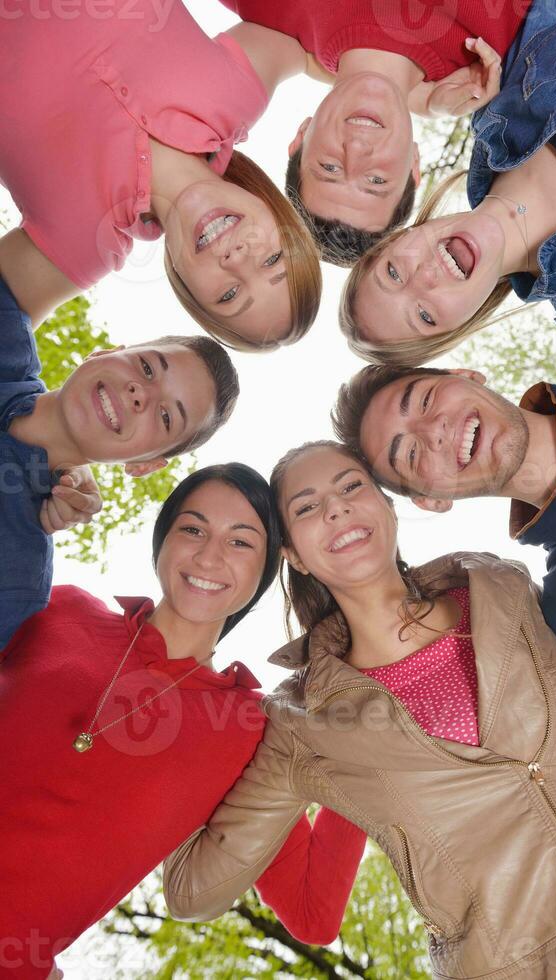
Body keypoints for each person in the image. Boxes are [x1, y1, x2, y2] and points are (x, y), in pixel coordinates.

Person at [163, 441, 556, 978]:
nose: (335, 508)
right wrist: (181, 707)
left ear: (388, 506)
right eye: (306, 507)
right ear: (295, 556)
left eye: (352, 487)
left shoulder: (503, 590)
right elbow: (193, 891)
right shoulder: (302, 726)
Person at [0, 463, 366, 979]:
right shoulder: (58, 610)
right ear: (162, 541)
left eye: (241, 542)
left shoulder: (249, 731)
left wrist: (367, 741)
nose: (209, 555)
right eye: (192, 529)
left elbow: (312, 911)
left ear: (263, 573)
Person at [332, 345, 556, 837]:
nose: (434, 429)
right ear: (432, 500)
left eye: (423, 401)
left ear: (468, 374)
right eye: (412, 453)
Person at [339, 0, 556, 365]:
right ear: (462, 324)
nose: (423, 278)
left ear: (400, 236)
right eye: (425, 316)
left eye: (393, 273)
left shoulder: (501, 97)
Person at [0, 0, 321, 352]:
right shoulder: (237, 92)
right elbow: (318, 51)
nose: (239, 260)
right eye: (273, 260)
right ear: (277, 213)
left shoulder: (83, 246)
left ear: (187, 289)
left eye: (229, 295)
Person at [0, 271, 239, 649]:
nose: (139, 394)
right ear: (106, 353)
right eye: (146, 368)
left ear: (143, 465)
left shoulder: (17, 574)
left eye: (165, 417)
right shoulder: (6, 327)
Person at [218, 0, 528, 265]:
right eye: (376, 181)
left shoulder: (266, 6)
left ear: (301, 135)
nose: (356, 150)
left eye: (330, 168)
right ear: (413, 166)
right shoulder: (506, 53)